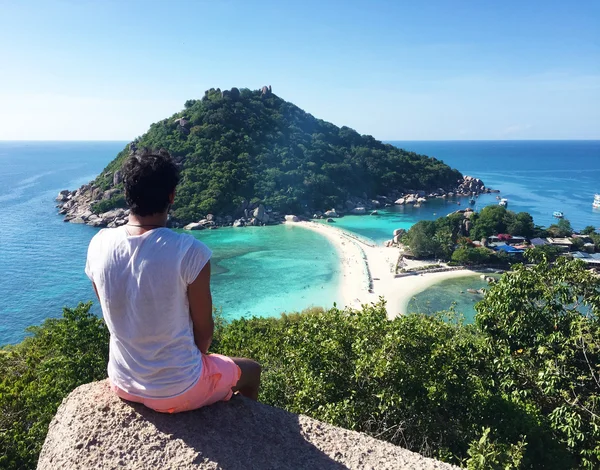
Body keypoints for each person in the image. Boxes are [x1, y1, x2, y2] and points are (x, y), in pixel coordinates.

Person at [85, 148, 260, 413]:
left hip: (122, 382)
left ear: (126, 194)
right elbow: (204, 333)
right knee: (252, 370)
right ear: (172, 196)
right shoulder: (190, 252)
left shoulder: (99, 243)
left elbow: (111, 308)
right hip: (179, 391)